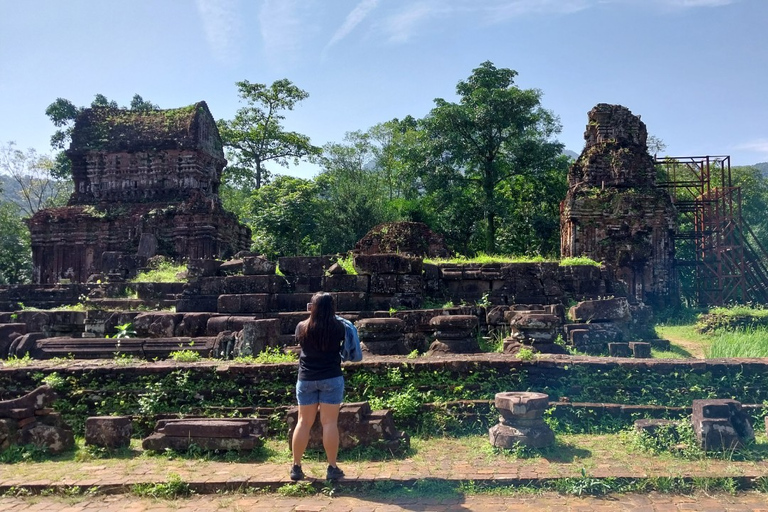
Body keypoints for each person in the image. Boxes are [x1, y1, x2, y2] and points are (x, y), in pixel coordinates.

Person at [290, 292, 362, 481]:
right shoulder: (339, 327)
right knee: (329, 423)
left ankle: (296, 467)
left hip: (306, 378)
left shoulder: (302, 326)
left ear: (312, 307)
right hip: (331, 377)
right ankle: (332, 467)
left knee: (303, 422)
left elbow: (303, 335)